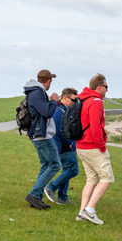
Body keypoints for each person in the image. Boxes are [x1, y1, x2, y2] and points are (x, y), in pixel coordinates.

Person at [75, 73, 113, 225]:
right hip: (92, 146)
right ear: (99, 87)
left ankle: (82, 211)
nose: (107, 90)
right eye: (106, 87)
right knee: (107, 178)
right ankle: (89, 210)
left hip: (81, 146)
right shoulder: (96, 102)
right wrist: (101, 145)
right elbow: (95, 127)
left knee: (91, 179)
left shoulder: (83, 99)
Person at [23, 70, 61, 210]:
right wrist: (53, 101)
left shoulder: (34, 92)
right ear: (49, 81)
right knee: (55, 164)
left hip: (38, 133)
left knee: (46, 164)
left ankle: (36, 198)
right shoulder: (37, 93)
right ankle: (34, 194)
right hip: (42, 134)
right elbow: (47, 112)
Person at [46, 88, 80, 205]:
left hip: (63, 145)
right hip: (63, 146)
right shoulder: (59, 111)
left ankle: (63, 197)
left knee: (67, 169)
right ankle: (51, 187)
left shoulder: (64, 110)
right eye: (73, 100)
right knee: (73, 169)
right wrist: (71, 143)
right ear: (64, 98)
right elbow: (57, 131)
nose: (74, 103)